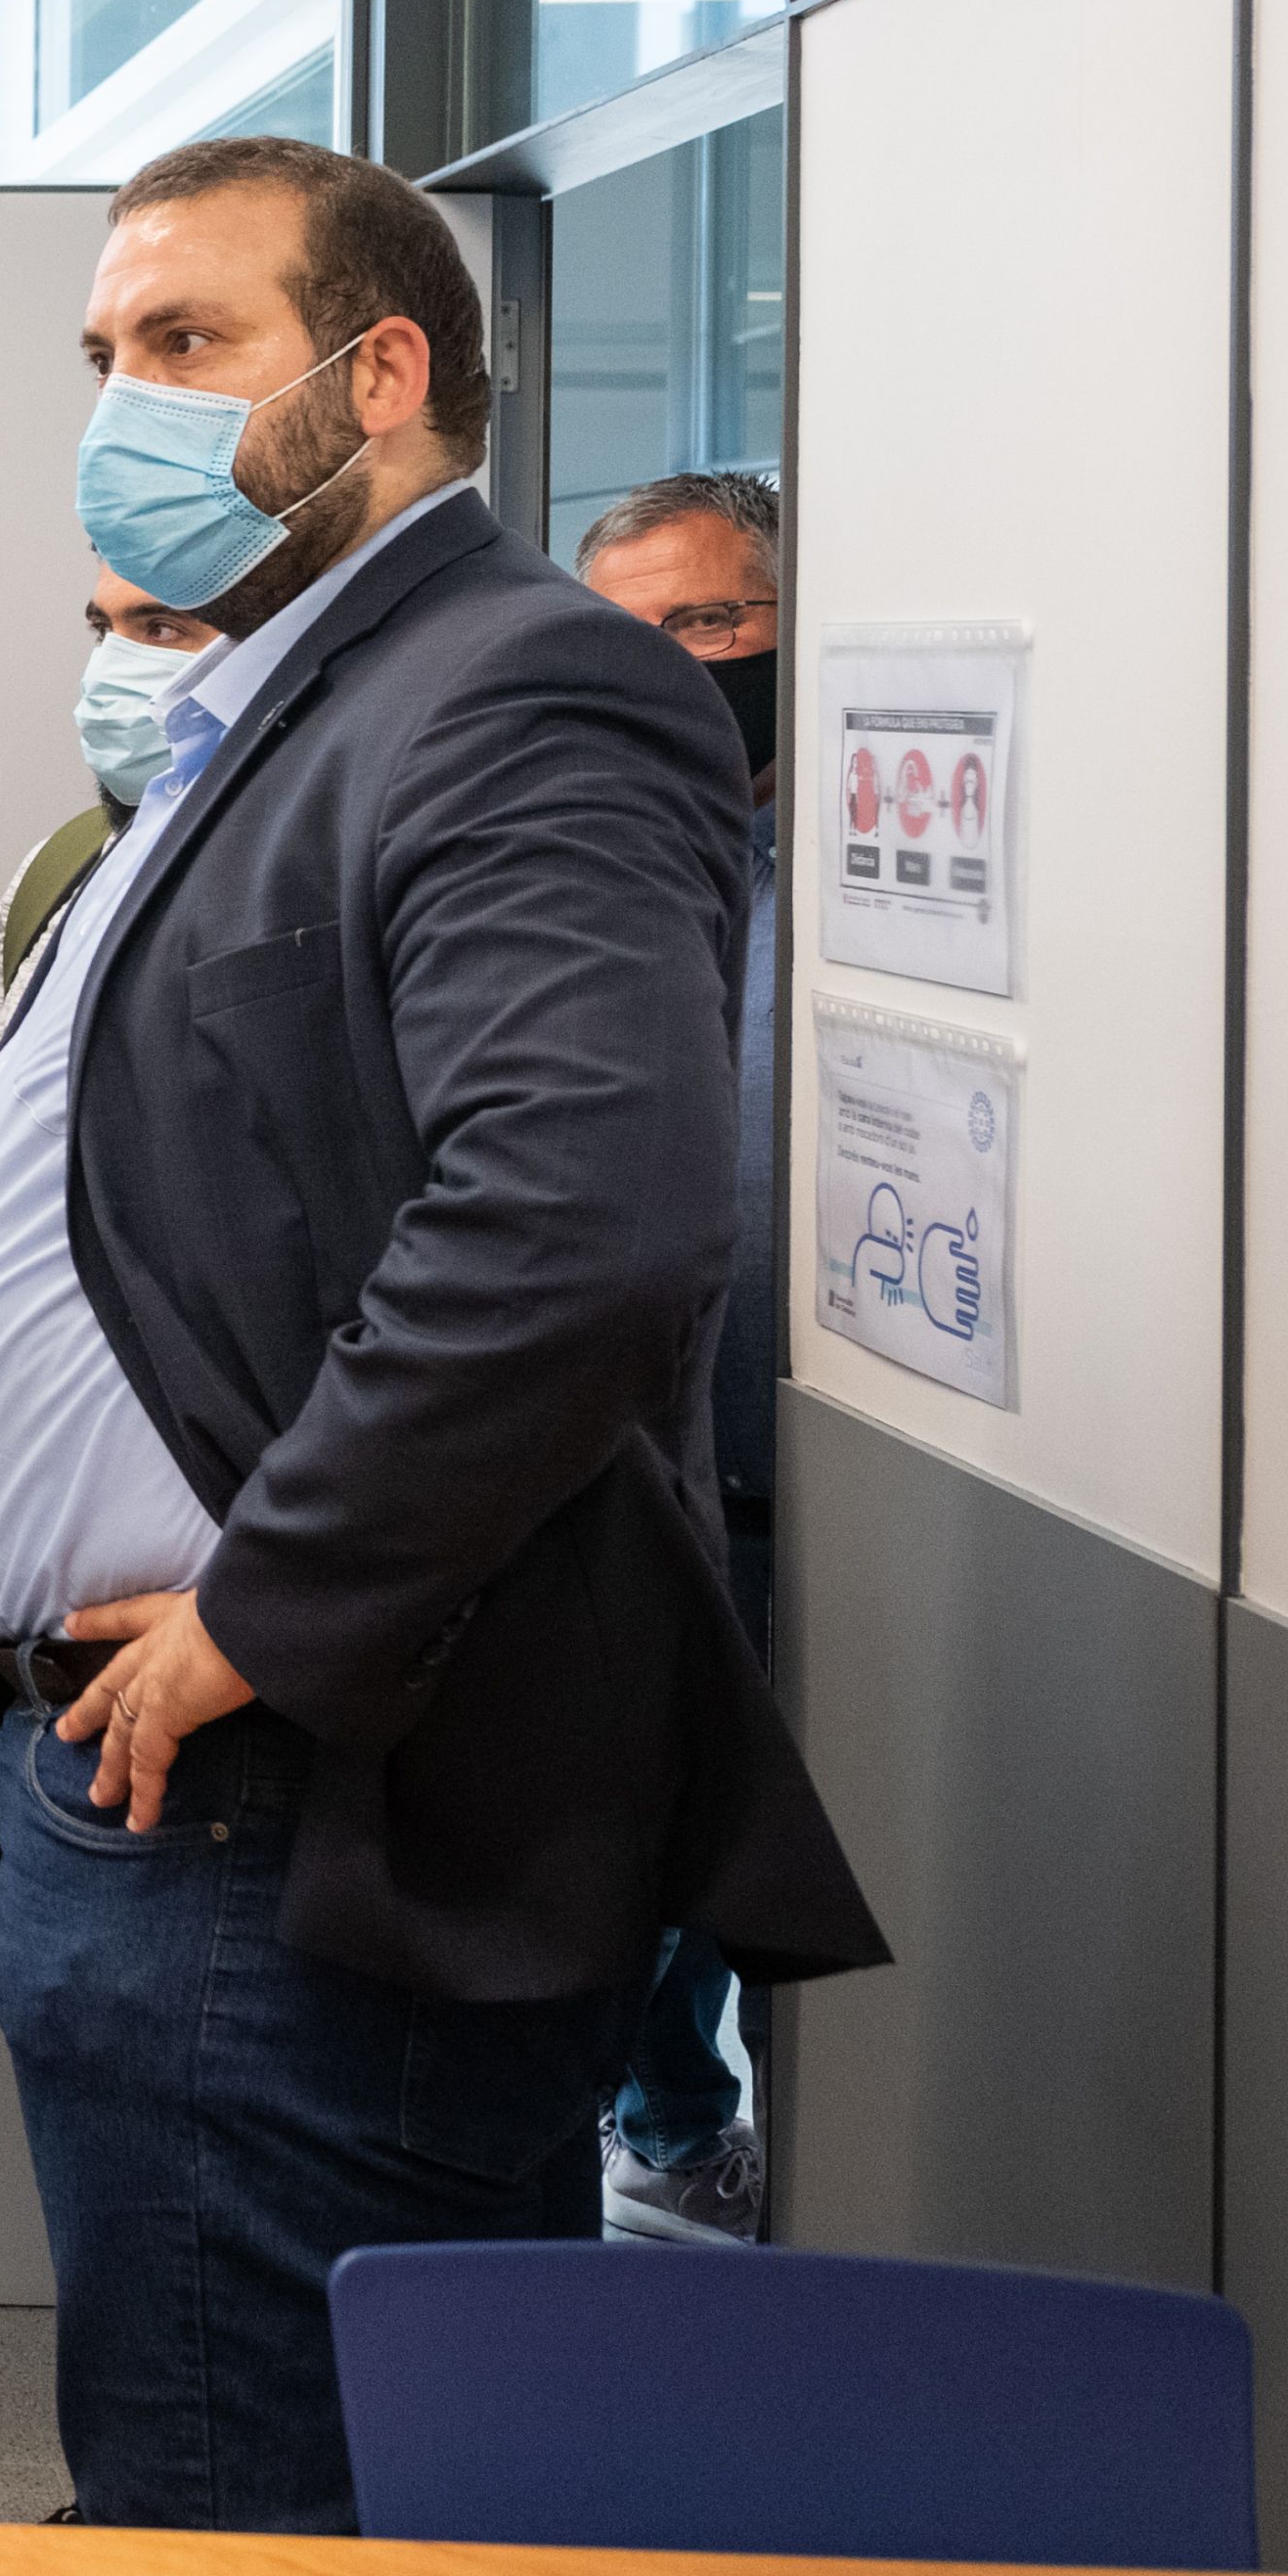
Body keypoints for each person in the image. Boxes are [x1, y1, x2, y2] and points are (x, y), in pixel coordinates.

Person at [0, 138, 883, 2534]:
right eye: (107, 355)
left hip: (299, 1801)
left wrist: (266, 1600)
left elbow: (578, 1217)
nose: (126, 401)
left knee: (262, 2546)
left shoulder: (520, 684)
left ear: (380, 371)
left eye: (188, 343)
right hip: (183, 1802)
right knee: (248, 2473)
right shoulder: (280, 708)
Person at [571, 463, 788, 2247]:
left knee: (780, 1878)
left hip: (817, 1490)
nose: (673, 664)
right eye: (625, 635)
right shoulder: (572, 874)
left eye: (710, 622)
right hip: (620, 1479)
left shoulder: (854, 881)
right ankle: (674, 2127)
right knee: (617, 1879)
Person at [0, 570, 217, 1080]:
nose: (108, 671)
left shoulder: (312, 887)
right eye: (104, 632)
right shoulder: (54, 871)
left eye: (161, 629)